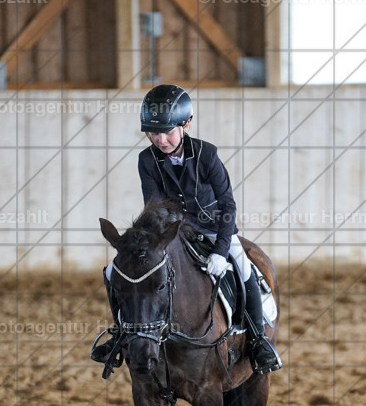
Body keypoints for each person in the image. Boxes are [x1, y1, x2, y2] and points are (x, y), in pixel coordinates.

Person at [91, 84, 282, 374]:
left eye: (167, 132)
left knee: (243, 268)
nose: (160, 140)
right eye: (153, 133)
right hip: (173, 233)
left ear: (186, 124)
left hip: (215, 229)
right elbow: (154, 205)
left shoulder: (207, 154)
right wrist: (156, 240)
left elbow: (227, 203)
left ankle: (258, 340)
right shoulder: (146, 160)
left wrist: (220, 251)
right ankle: (120, 334)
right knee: (112, 273)